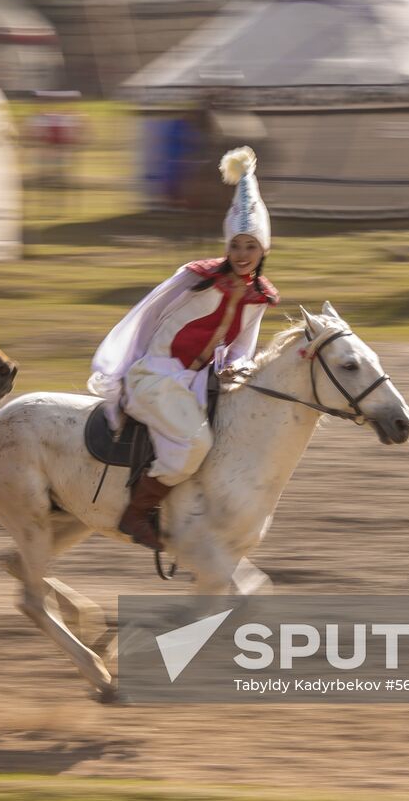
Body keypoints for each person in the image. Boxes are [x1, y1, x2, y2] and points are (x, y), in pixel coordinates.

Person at [88, 146, 279, 550]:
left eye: (251, 246)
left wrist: (236, 368)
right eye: (236, 245)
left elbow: (242, 348)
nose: (242, 255)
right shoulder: (196, 278)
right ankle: (136, 513)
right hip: (154, 375)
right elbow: (148, 313)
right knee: (197, 445)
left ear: (264, 249)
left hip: (196, 383)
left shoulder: (260, 296)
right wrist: (128, 364)